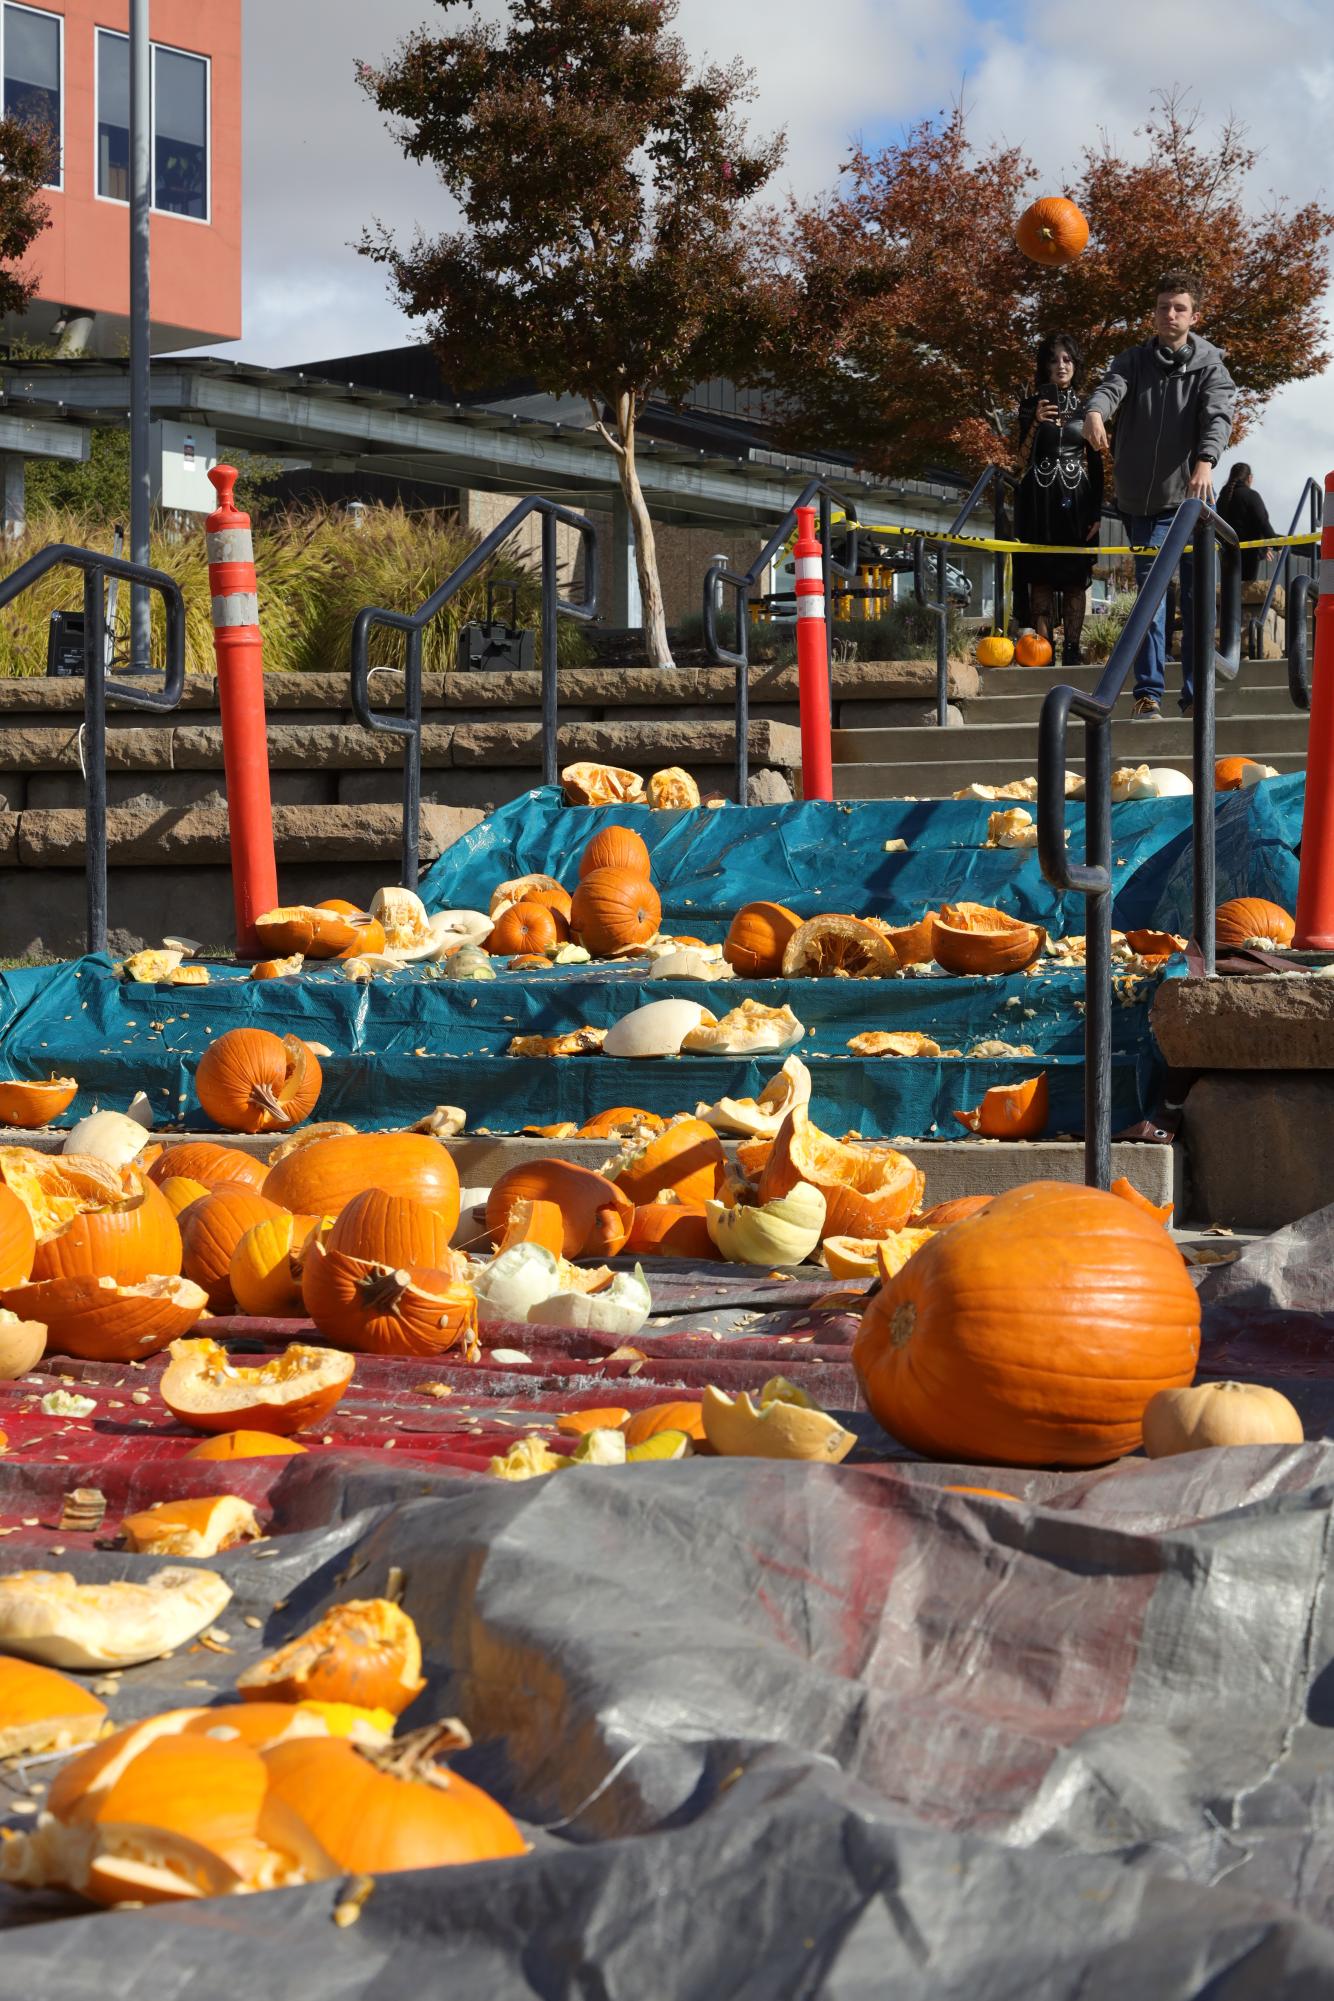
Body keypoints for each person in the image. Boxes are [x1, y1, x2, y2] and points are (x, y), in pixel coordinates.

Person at [1081, 271, 1236, 718]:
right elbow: (1111, 389)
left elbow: (1218, 417)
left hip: (1189, 506)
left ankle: (1194, 694)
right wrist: (1095, 412)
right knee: (1150, 603)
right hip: (1139, 506)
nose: (1170, 314)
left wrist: (1205, 461)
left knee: (1194, 601)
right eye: (1163, 306)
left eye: (1179, 308)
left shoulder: (1211, 367)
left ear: (1193, 316)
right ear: (1153, 313)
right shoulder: (1131, 360)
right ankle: (1148, 693)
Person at [1013, 332, 1104, 664]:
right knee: (1041, 577)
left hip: (1076, 502)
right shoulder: (1029, 406)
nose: (1061, 365)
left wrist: (1097, 510)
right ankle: (1044, 652)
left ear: (1075, 364)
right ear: (1044, 366)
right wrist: (1036, 422)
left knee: (1074, 578)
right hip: (1039, 503)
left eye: (1067, 359)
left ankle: (1072, 651)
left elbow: (1096, 464)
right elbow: (1020, 461)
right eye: (1054, 359)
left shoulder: (1088, 408)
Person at [1215, 462, 1276, 585]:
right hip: (1249, 555)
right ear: (1249, 478)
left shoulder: (1222, 498)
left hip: (1226, 551)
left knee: (1229, 588)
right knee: (1245, 590)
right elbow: (1262, 521)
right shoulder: (1250, 495)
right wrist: (1275, 543)